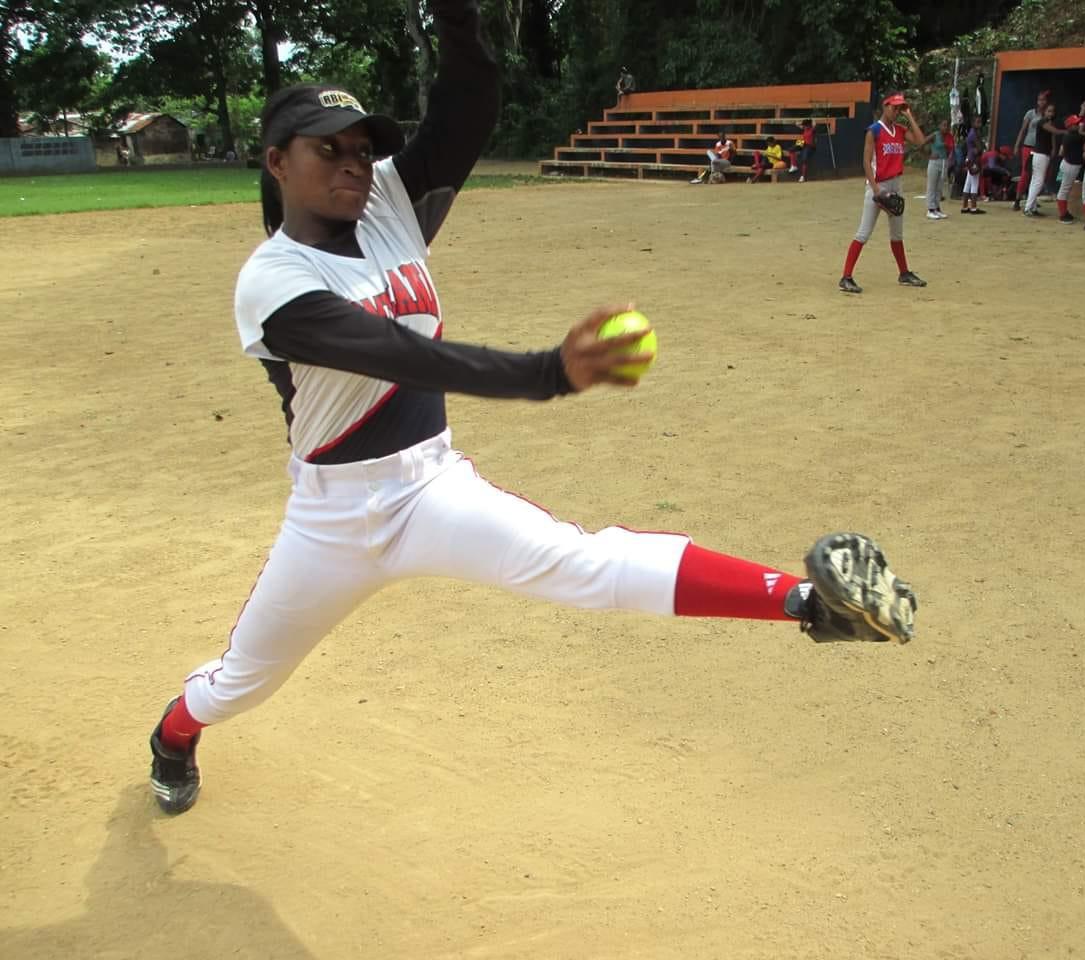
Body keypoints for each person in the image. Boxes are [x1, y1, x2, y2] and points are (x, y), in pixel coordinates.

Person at [145, 0, 922, 817]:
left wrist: (457, 20)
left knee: (580, 563)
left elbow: (467, 105)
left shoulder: (389, 205)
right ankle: (175, 734)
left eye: (363, 149)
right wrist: (547, 372)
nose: (353, 163)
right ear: (277, 161)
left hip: (428, 488)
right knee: (244, 680)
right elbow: (399, 354)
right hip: (332, 518)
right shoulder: (272, 281)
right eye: (327, 149)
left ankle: (808, 603)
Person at [837, 92, 927, 295]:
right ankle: (846, 277)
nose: (897, 111)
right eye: (894, 107)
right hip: (878, 185)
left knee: (897, 234)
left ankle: (904, 273)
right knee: (863, 233)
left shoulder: (900, 130)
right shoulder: (874, 130)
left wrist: (909, 116)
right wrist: (876, 189)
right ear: (885, 107)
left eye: (899, 108)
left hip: (896, 184)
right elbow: (866, 162)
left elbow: (920, 141)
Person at [1023, 103, 1067, 218]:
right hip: (1040, 154)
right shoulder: (1042, 122)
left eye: (1052, 111)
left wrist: (1053, 148)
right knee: (1038, 181)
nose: (1051, 113)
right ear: (1044, 112)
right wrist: (1067, 131)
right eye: (1049, 111)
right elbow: (1055, 132)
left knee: (1035, 181)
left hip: (1043, 154)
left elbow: (1052, 135)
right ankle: (1028, 208)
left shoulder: (1048, 122)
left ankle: (1032, 207)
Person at [1011, 89, 1050, 210]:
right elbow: (1023, 130)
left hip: (1041, 148)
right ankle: (1017, 200)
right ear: (1037, 101)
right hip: (1028, 146)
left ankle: (1031, 200)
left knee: (1039, 176)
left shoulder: (1047, 115)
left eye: (1044, 100)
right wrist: (1017, 145)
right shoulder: (1031, 113)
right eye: (1040, 100)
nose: (1041, 102)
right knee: (1025, 173)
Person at [1054, 114, 1085, 224]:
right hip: (1070, 166)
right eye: (1075, 124)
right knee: (1064, 190)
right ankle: (1063, 215)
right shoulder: (1075, 137)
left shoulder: (1067, 135)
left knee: (1063, 188)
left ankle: (1064, 212)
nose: (1078, 125)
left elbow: (1061, 152)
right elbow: (1083, 139)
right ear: (1070, 126)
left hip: (1065, 163)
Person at [925, 118, 954, 219]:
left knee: (939, 187)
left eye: (947, 125)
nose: (946, 127)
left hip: (944, 162)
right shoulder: (935, 135)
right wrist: (928, 155)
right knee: (931, 186)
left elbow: (950, 149)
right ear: (939, 126)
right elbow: (922, 142)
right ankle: (930, 209)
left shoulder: (949, 137)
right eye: (944, 125)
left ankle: (937, 208)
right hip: (934, 162)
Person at [960, 118, 985, 215]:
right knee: (974, 183)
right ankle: (973, 207)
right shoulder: (974, 134)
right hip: (974, 160)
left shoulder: (971, 133)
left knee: (968, 183)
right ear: (973, 123)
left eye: (980, 122)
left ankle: (965, 206)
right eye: (977, 122)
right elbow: (980, 148)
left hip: (969, 159)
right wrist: (981, 147)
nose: (979, 124)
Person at [789, 118, 817, 182]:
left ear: (809, 125)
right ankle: (794, 166)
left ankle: (803, 176)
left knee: (804, 159)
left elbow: (814, 122)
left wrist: (810, 120)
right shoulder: (804, 128)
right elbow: (796, 123)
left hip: (810, 145)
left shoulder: (812, 129)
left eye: (806, 125)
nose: (804, 126)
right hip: (802, 142)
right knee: (791, 150)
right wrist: (802, 123)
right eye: (804, 125)